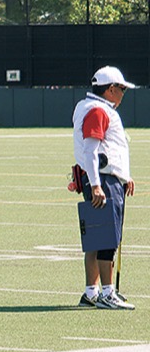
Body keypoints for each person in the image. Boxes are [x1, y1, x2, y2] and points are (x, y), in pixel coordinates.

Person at [72, 65, 136, 309]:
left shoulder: (90, 107)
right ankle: (108, 293)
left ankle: (91, 293)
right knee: (107, 238)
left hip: (103, 178)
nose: (123, 94)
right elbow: (91, 149)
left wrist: (125, 176)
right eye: (122, 89)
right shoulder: (98, 110)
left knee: (96, 239)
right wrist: (98, 185)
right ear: (110, 89)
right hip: (103, 180)